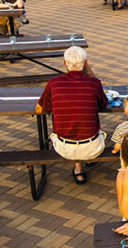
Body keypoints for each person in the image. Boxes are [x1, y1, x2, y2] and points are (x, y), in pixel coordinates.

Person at [35, 46, 108, 184]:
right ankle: (86, 161)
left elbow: (40, 109)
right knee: (89, 128)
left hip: (64, 148)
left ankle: (78, 169)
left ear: (64, 63)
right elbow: (103, 105)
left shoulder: (54, 84)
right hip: (92, 147)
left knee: (71, 125)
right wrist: (90, 73)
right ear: (86, 63)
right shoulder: (94, 83)